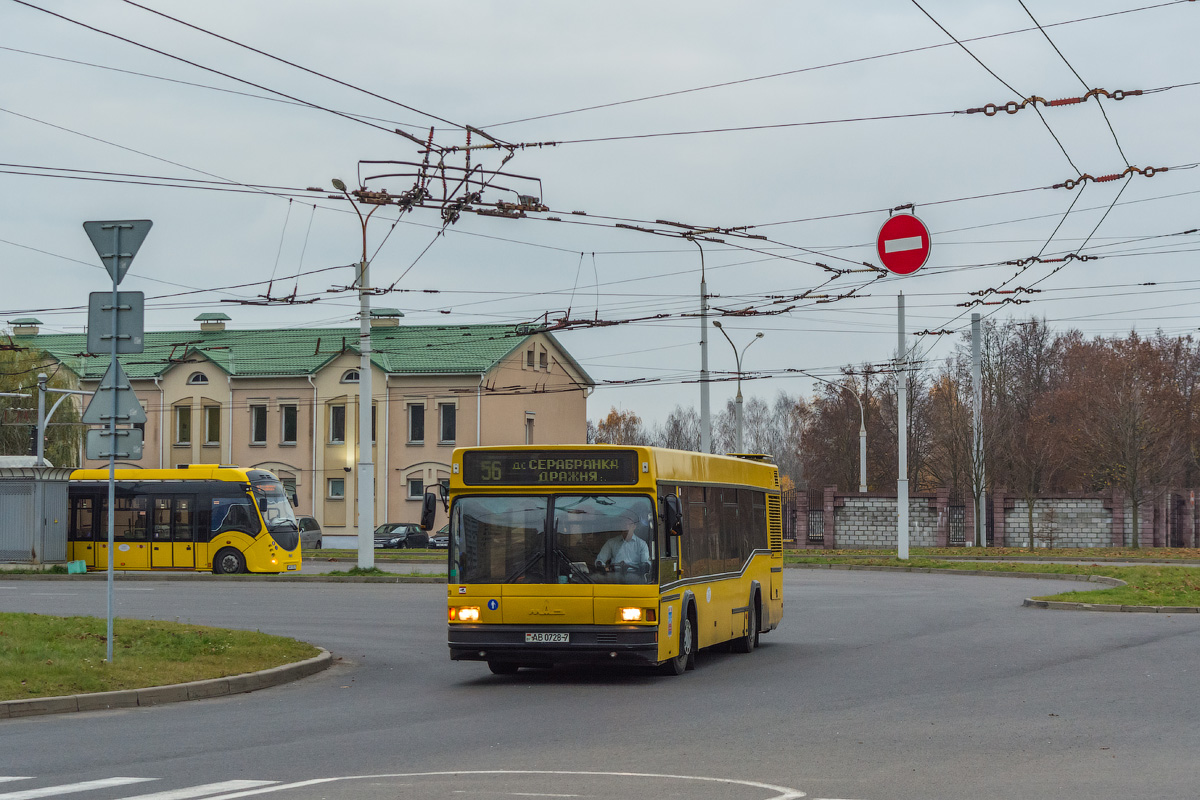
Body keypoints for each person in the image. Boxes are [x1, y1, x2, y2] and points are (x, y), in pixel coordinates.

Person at [594, 517, 651, 582]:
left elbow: (645, 563)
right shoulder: (611, 542)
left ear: (634, 527)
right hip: (614, 575)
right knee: (594, 578)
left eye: (629, 524)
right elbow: (600, 560)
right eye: (623, 525)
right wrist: (601, 565)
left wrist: (643, 567)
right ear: (620, 527)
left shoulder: (642, 544)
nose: (626, 527)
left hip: (634, 575)